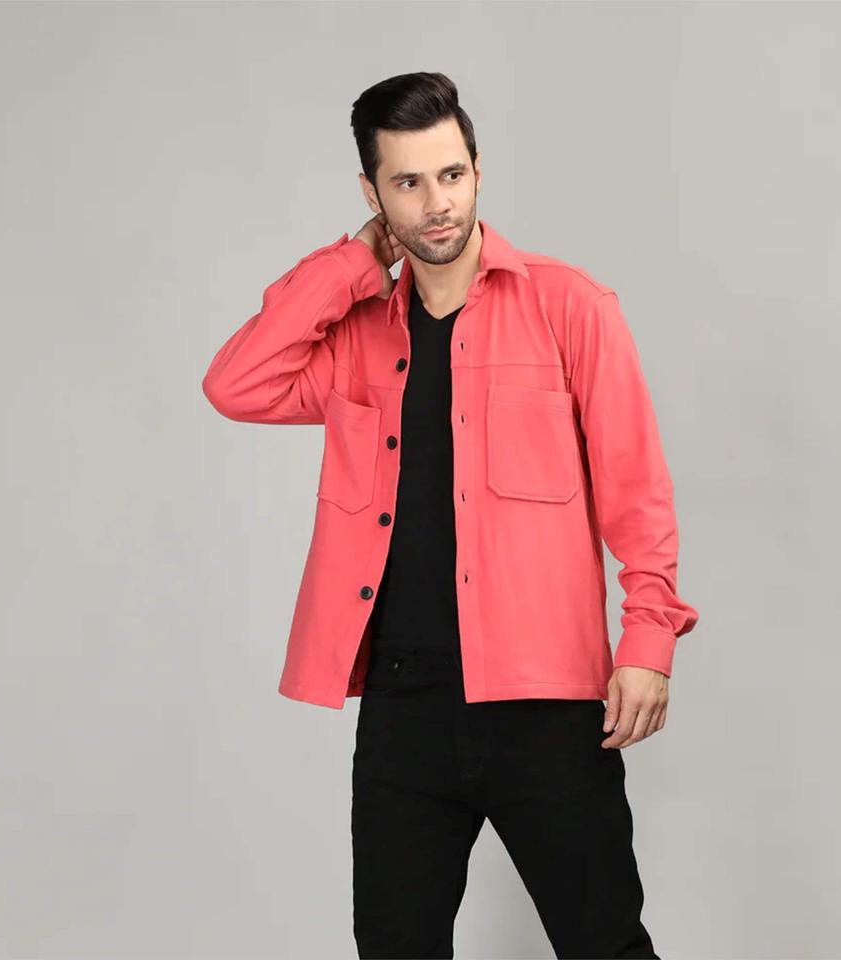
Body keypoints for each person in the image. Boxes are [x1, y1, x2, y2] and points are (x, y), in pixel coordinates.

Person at [202, 71, 699, 960]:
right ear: (372, 195)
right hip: (405, 707)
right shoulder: (357, 337)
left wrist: (648, 642)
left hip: (545, 701)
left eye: (452, 175)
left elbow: (638, 491)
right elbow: (236, 384)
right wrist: (350, 265)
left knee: (605, 946)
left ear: (477, 171)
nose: (437, 203)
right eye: (408, 182)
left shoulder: (568, 306)